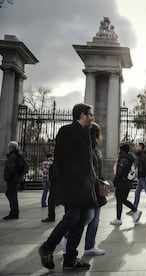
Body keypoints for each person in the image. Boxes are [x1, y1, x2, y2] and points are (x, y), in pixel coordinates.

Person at [38, 103, 98, 271]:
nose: (92, 117)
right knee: (72, 217)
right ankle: (48, 247)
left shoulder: (86, 133)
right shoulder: (66, 131)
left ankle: (70, 258)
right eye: (90, 114)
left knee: (83, 218)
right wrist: (76, 176)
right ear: (82, 115)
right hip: (72, 184)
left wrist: (94, 180)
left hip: (85, 185)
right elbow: (61, 159)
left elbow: (88, 161)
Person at [83, 122, 107, 254]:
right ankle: (67, 236)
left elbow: (98, 169)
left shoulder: (95, 148)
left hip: (96, 187)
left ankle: (89, 246)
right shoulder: (86, 148)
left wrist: (103, 183)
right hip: (88, 187)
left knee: (95, 218)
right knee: (88, 217)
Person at [111, 143, 141, 226]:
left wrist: (115, 181)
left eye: (119, 149)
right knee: (122, 200)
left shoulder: (123, 160)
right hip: (127, 183)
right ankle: (133, 211)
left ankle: (119, 218)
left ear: (122, 150)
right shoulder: (129, 159)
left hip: (122, 183)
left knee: (120, 200)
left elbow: (119, 173)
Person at [3, 141, 25, 220]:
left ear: (11, 147)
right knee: (11, 194)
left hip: (12, 178)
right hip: (16, 178)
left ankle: (14, 213)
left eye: (9, 147)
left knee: (12, 195)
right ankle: (14, 212)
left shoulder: (12, 156)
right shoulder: (19, 155)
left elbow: (10, 168)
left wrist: (7, 176)